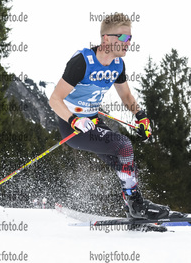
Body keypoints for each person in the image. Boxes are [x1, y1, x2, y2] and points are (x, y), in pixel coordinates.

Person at [49, 12, 170, 220]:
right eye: (123, 37)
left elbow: (126, 95)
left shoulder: (117, 64)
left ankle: (133, 204)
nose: (128, 43)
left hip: (93, 120)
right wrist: (74, 120)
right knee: (124, 145)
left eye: (130, 38)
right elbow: (54, 100)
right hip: (73, 126)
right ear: (106, 39)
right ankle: (135, 204)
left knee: (123, 159)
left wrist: (140, 116)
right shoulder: (82, 62)